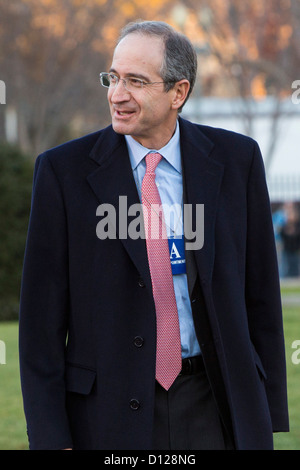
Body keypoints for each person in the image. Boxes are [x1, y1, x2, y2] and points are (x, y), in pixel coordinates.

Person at [19, 20, 289, 451]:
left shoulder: (239, 161)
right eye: (114, 77)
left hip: (214, 406)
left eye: (136, 81)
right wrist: (53, 438)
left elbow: (261, 297)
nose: (117, 94)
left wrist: (267, 412)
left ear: (178, 93)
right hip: (105, 413)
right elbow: (40, 324)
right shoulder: (62, 172)